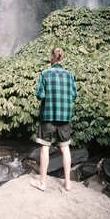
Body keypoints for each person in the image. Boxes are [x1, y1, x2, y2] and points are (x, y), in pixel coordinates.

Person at [29, 48, 77, 191]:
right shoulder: (69, 75)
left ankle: (42, 183)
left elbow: (40, 95)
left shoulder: (45, 74)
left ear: (52, 58)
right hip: (64, 117)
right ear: (62, 58)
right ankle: (68, 183)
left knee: (45, 148)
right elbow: (74, 95)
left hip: (48, 116)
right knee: (65, 148)